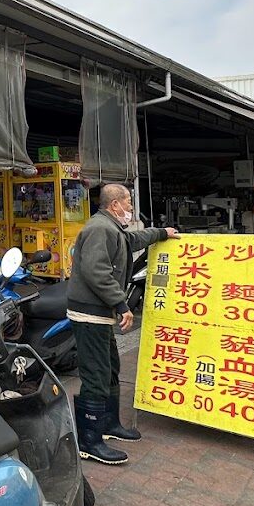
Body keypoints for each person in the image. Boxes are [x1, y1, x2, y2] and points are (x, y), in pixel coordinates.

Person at [65, 183, 178, 465]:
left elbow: (132, 241)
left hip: (100, 315)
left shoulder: (111, 228)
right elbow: (96, 271)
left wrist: (162, 233)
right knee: (96, 374)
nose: (130, 207)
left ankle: (109, 424)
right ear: (114, 204)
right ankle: (89, 441)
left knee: (111, 368)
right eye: (128, 201)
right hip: (89, 315)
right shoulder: (99, 229)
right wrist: (121, 303)